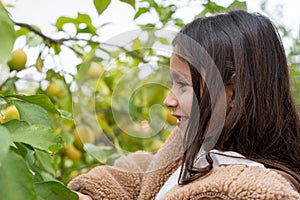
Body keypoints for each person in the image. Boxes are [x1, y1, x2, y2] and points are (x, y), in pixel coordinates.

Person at [68, 10, 300, 199]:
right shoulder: (194, 147)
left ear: (236, 92)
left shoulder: (251, 190)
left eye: (183, 84)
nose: (167, 101)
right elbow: (144, 177)